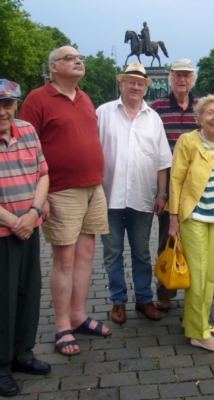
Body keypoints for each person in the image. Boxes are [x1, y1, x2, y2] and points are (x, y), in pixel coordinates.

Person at [19, 46, 111, 357]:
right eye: (71, 58)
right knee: (66, 258)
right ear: (54, 67)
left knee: (86, 254)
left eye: (80, 58)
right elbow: (24, 147)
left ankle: (78, 315)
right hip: (59, 190)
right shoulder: (37, 99)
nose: (79, 61)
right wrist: (38, 196)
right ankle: (61, 326)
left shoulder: (84, 98)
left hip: (93, 188)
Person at [97, 63, 172, 324]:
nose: (136, 86)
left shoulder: (154, 118)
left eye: (140, 83)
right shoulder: (103, 113)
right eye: (131, 82)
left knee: (141, 252)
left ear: (145, 88)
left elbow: (163, 161)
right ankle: (118, 301)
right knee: (112, 252)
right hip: (109, 197)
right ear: (122, 84)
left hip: (142, 197)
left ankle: (144, 299)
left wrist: (162, 194)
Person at [168, 94, 214, 351]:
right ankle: (198, 333)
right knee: (196, 276)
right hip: (193, 216)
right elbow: (176, 179)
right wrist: (173, 217)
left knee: (208, 275)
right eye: (210, 113)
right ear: (200, 118)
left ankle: (198, 320)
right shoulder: (188, 141)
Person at [0, 79, 50, 397]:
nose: (2, 111)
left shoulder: (28, 131)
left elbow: (42, 174)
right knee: (3, 299)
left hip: (29, 227)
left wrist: (32, 214)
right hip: (4, 231)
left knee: (28, 292)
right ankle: (2, 365)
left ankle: (23, 354)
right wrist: (12, 221)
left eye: (7, 104)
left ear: (15, 104)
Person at [151, 59, 199, 311]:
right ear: (171, 78)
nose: (182, 80)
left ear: (193, 79)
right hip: (169, 179)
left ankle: (193, 288)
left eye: (187, 76)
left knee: (194, 236)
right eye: (178, 75)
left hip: (197, 182)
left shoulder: (201, 107)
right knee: (167, 236)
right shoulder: (157, 107)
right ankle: (165, 291)